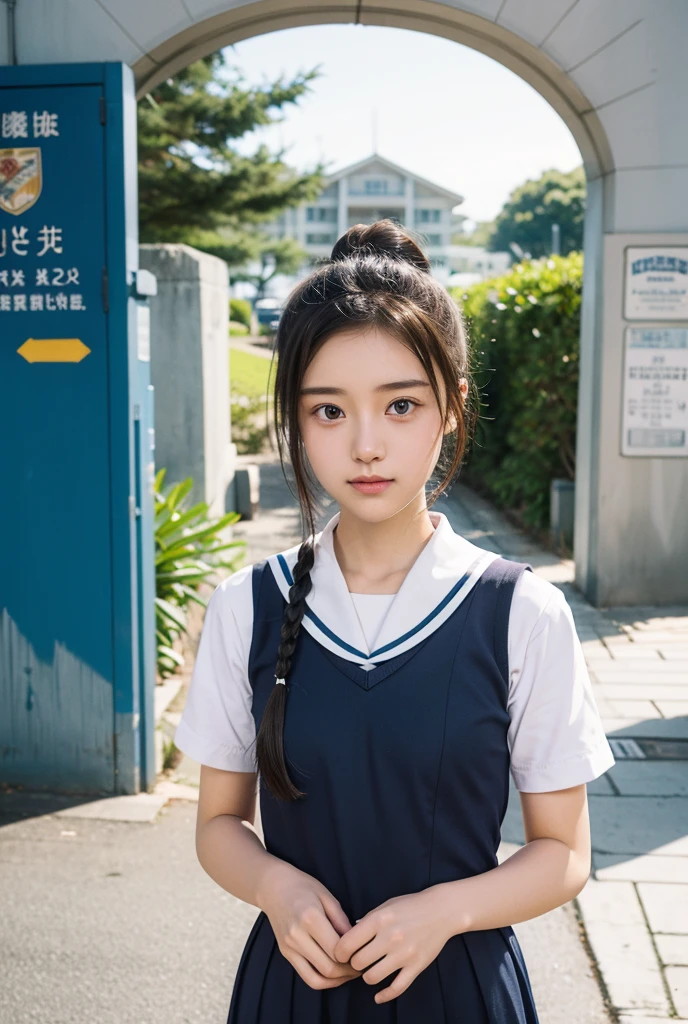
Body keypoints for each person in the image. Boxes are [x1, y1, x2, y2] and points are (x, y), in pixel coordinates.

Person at [174, 219, 615, 1023]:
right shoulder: (250, 604)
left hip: (460, 989)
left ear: (450, 409)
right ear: (299, 422)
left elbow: (564, 854)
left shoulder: (519, 610)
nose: (366, 445)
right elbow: (217, 823)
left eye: (401, 404)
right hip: (294, 991)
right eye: (329, 412)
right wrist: (275, 884)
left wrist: (444, 910)